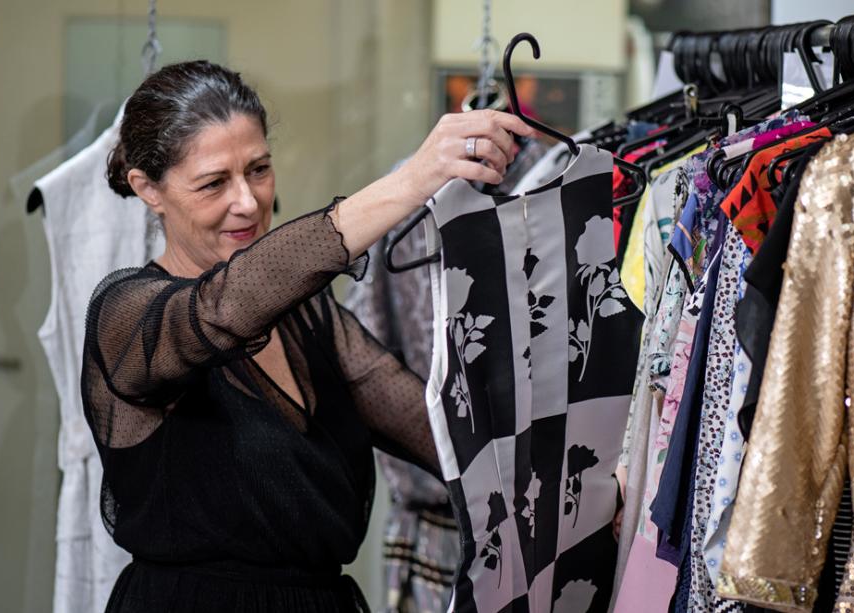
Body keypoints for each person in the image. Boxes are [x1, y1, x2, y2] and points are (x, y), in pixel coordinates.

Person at [81, 60, 537, 612]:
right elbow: (224, 307)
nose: (248, 201)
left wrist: (581, 473)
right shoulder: (127, 321)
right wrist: (412, 181)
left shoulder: (309, 318)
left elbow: (439, 428)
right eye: (213, 183)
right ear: (148, 189)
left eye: (259, 169)